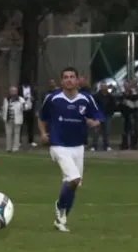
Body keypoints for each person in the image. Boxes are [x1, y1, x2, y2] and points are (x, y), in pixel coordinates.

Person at [38, 67, 103, 233]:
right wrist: (43, 133)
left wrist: (94, 123)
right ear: (61, 81)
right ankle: (59, 207)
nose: (69, 80)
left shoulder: (86, 99)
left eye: (72, 77)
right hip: (58, 145)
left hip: (78, 146)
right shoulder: (53, 98)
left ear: (77, 80)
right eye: (65, 77)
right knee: (73, 178)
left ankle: (61, 219)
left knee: (74, 184)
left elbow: (97, 116)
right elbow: (42, 117)